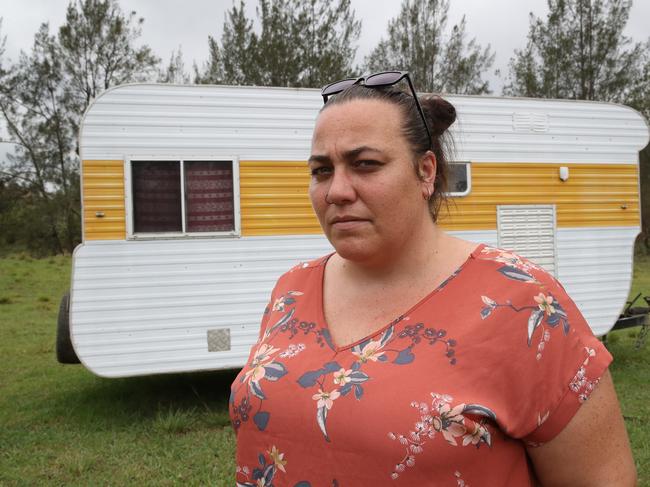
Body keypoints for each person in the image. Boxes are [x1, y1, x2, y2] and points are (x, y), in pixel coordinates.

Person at [229, 71, 637, 486]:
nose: (336, 190)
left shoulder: (522, 301)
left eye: (365, 164)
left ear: (426, 171)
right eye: (321, 170)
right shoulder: (291, 290)